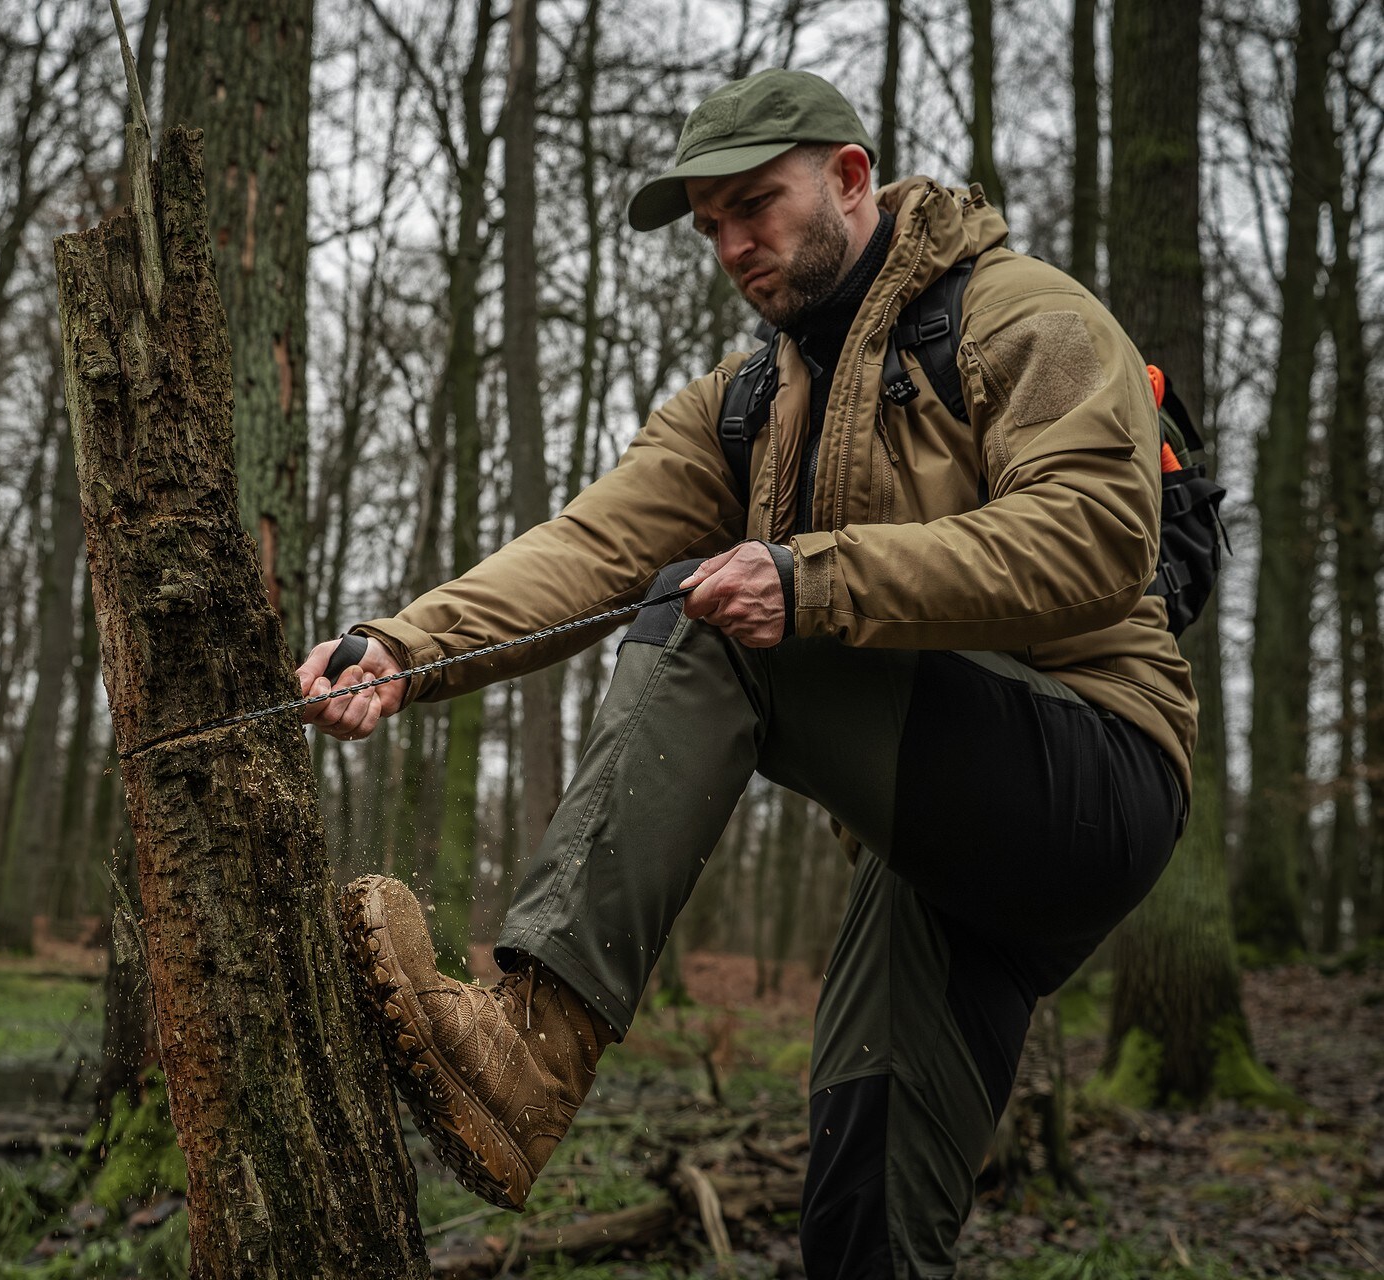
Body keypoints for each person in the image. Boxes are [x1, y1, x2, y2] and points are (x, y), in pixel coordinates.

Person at [296, 68, 1193, 1278]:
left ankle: (531, 1049)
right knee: (860, 1223)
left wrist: (813, 578)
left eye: (754, 204)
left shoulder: (1022, 316)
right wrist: (406, 642)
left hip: (1091, 768)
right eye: (709, 222)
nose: (730, 243)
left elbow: (1092, 531)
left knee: (709, 613)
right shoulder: (746, 402)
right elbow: (591, 545)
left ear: (850, 176)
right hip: (933, 852)